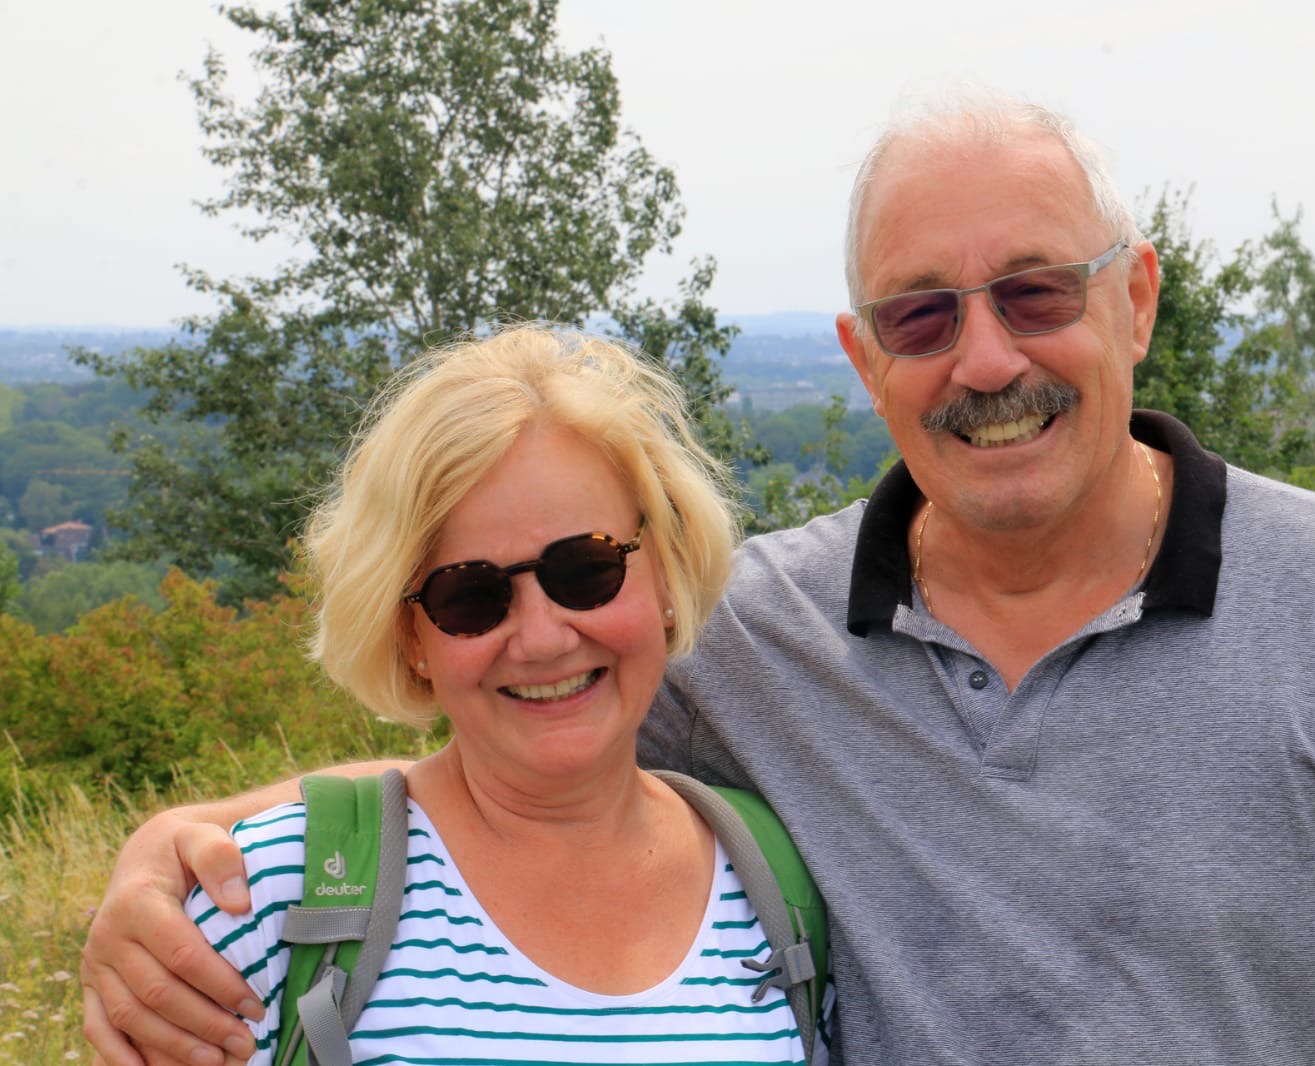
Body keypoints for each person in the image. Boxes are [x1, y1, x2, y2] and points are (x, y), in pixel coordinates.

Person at [84, 94, 1315, 1064]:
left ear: (1133, 297)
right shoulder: (750, 633)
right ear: (864, 360)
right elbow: (518, 730)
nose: (985, 356)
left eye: (1031, 294)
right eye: (923, 317)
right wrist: (198, 843)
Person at [149, 326, 829, 1064]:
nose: (541, 637)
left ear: (664, 573)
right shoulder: (268, 901)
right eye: (471, 595)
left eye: (586, 569)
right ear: (411, 637)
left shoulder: (774, 884)